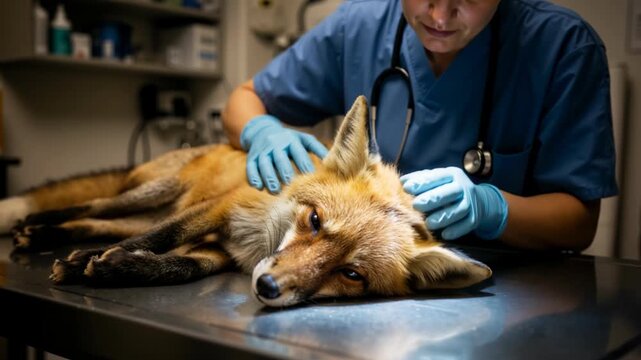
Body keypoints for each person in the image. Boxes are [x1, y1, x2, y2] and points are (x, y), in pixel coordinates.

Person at [222, 0, 617, 251]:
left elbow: (579, 223)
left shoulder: (562, 47)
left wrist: (491, 209)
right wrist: (261, 130)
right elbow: (244, 99)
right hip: (362, 271)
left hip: (508, 290)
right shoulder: (358, 26)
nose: (440, 15)